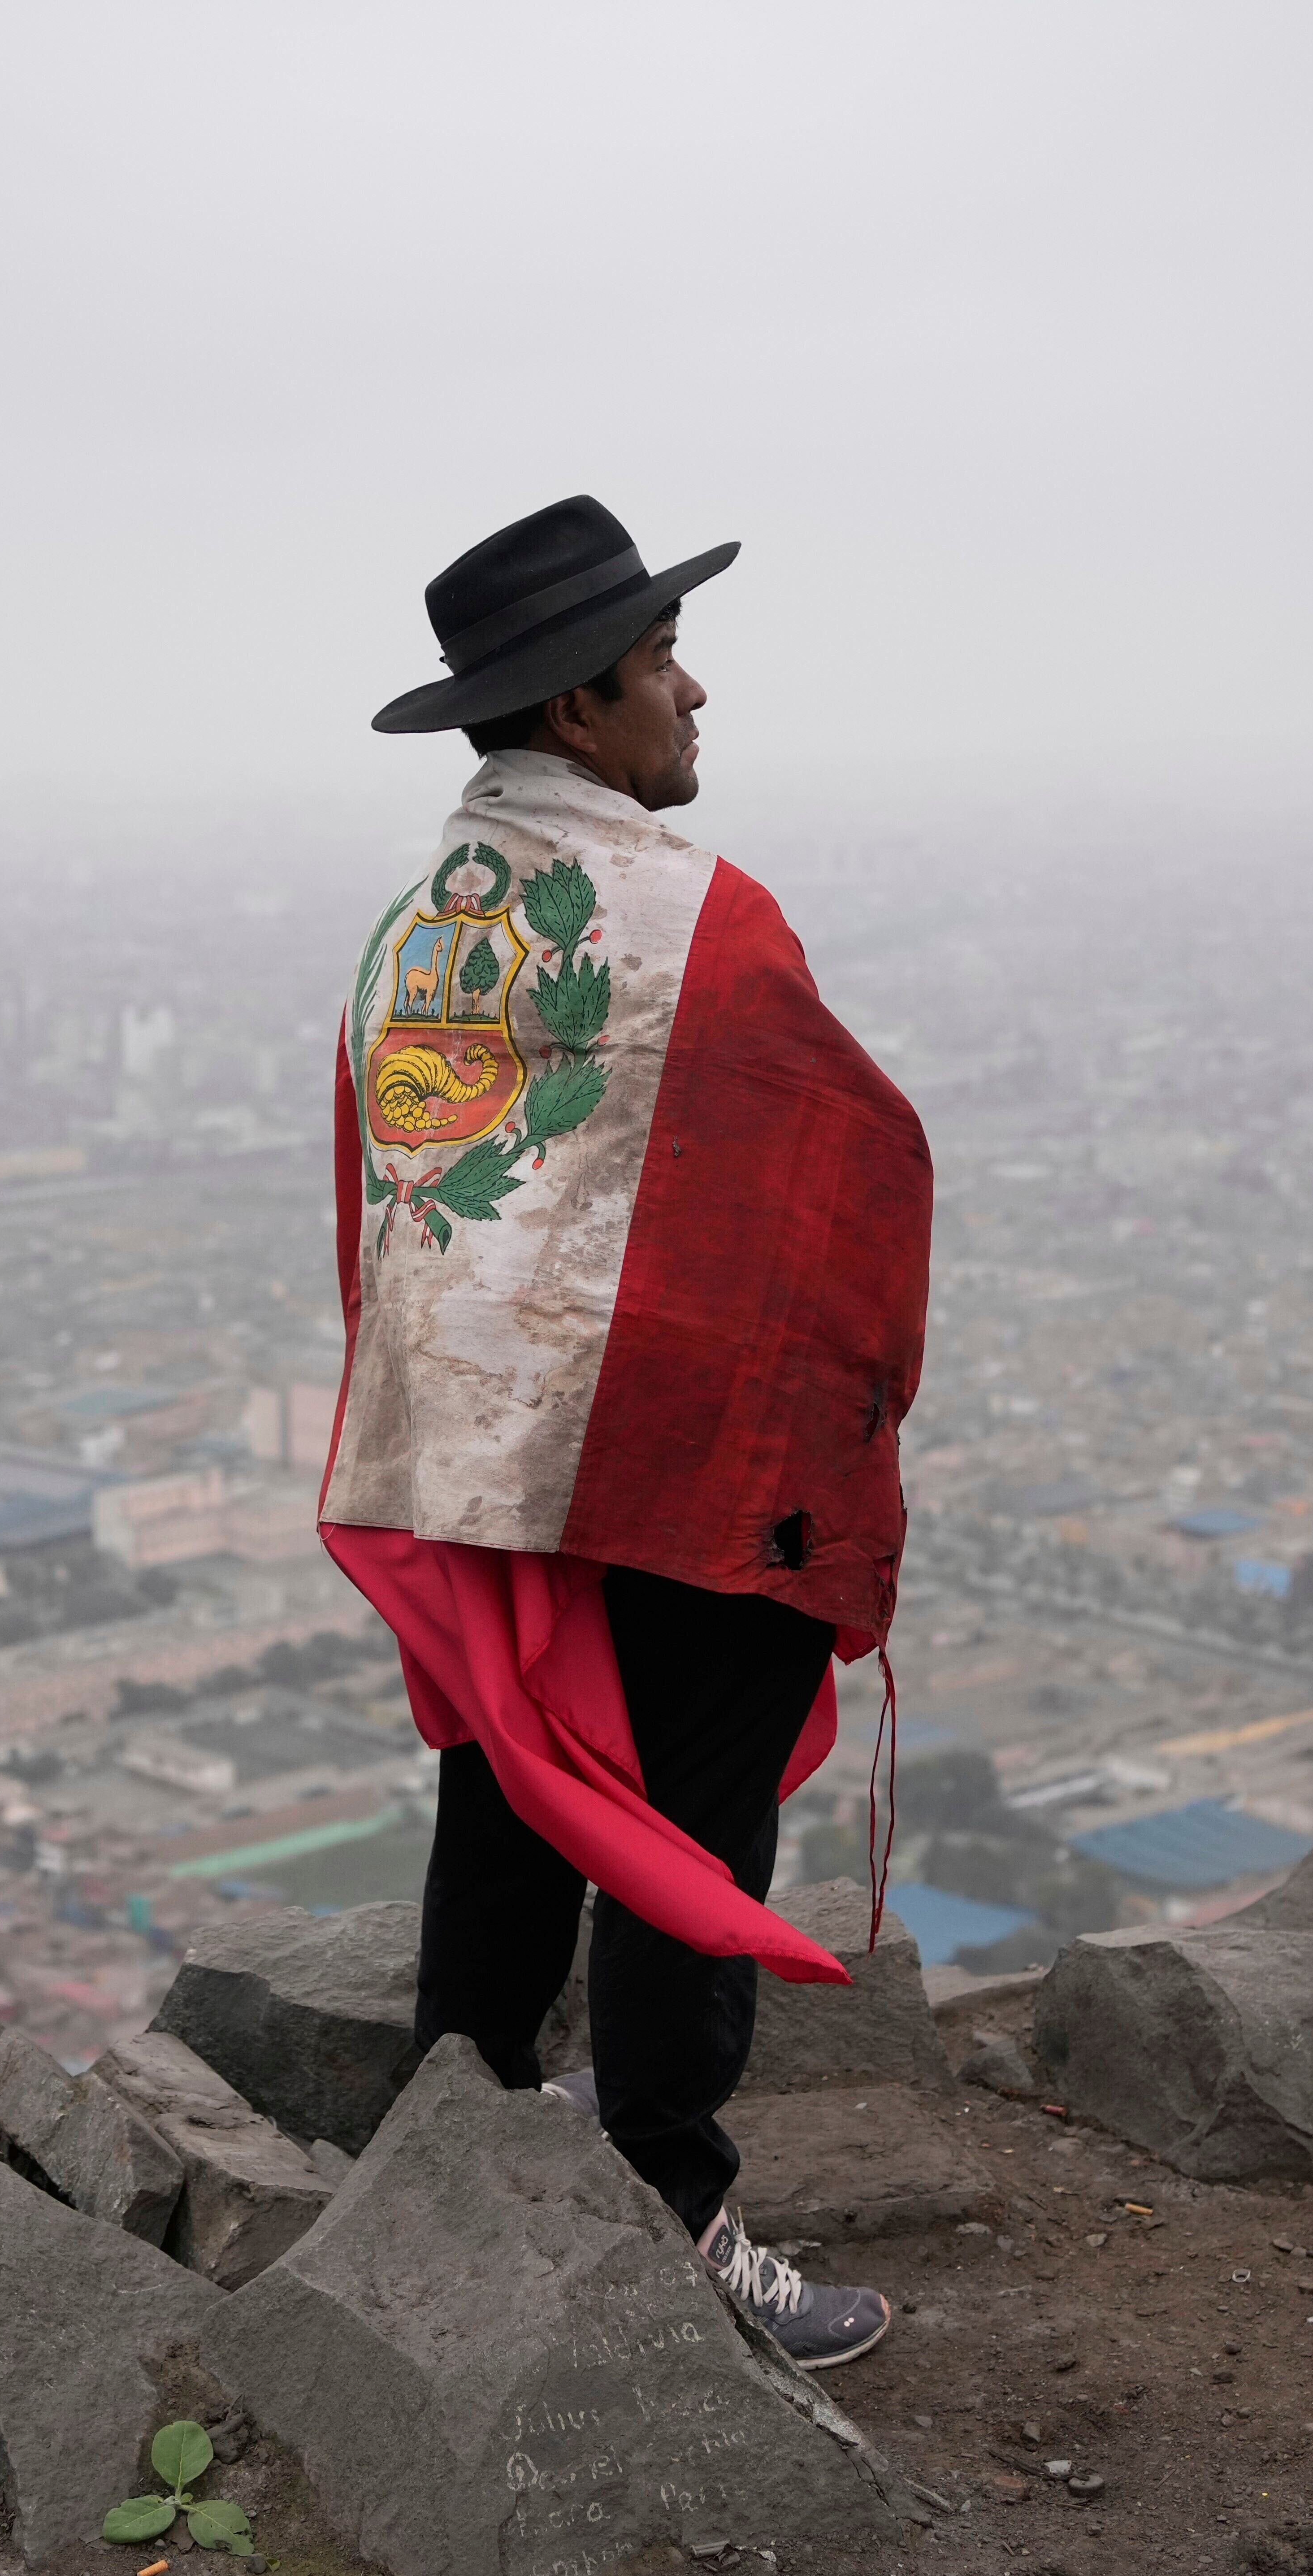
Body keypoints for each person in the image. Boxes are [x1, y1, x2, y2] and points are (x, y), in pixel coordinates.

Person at [318, 495, 933, 2366]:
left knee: (507, 1798)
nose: (694, 689)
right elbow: (844, 1184)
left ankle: (459, 2155)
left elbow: (398, 1204)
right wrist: (830, 1457)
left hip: (476, 1464)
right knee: (688, 1820)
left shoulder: (416, 930)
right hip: (674, 1468)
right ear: (582, 712)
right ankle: (673, 2207)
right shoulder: (704, 927)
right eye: (661, 660)